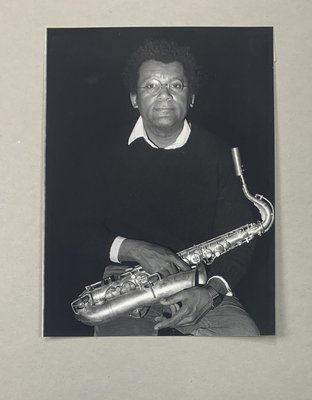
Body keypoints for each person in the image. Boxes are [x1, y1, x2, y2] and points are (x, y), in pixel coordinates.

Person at [67, 39, 260, 336]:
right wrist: (133, 248)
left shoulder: (220, 155)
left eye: (176, 85)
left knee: (244, 339)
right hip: (125, 283)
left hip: (200, 281)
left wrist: (211, 291)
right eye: (151, 85)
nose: (164, 95)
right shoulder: (101, 154)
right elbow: (75, 231)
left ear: (191, 97)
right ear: (135, 98)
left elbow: (240, 240)